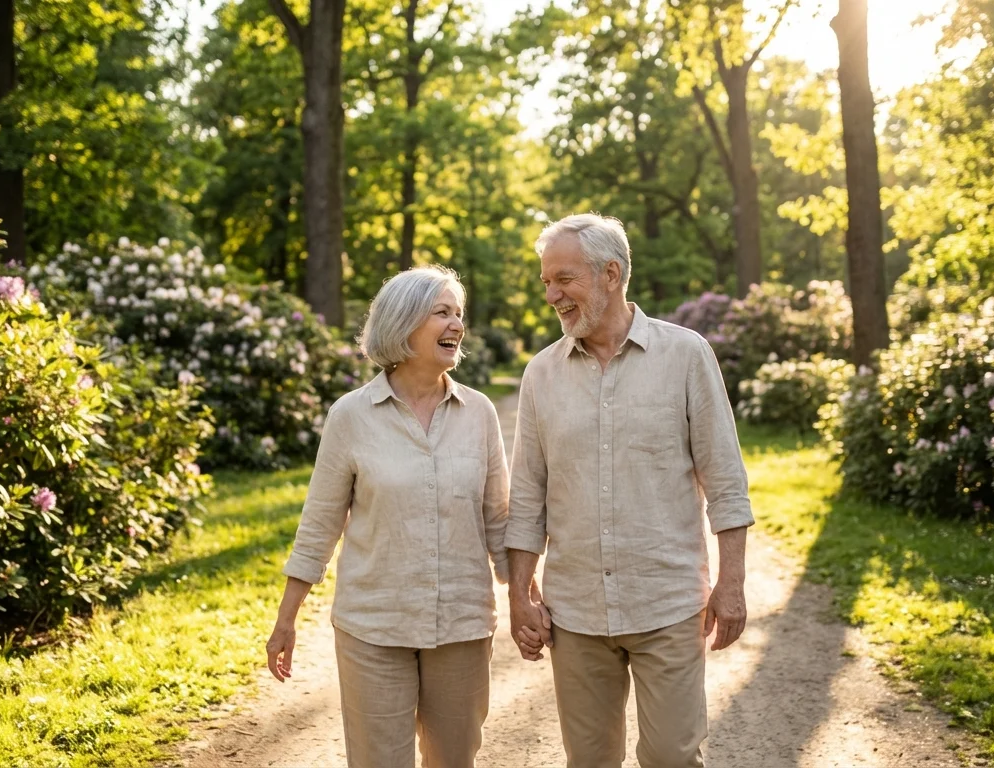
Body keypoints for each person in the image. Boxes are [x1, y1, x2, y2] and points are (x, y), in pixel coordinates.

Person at [505, 213, 755, 768]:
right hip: (575, 615)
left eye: (563, 279)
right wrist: (519, 593)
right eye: (546, 281)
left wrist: (731, 582)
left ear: (611, 273)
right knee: (589, 761)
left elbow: (726, 480)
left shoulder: (686, 356)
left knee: (671, 756)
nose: (552, 295)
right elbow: (526, 497)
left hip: (667, 603)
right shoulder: (540, 375)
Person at [264, 265, 511, 768]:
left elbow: (499, 521)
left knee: (455, 759)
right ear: (403, 322)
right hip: (373, 627)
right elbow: (320, 524)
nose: (457, 324)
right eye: (442, 312)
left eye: (459, 313)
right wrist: (286, 618)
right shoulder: (351, 416)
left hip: (462, 626)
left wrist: (525, 597)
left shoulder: (480, 414)